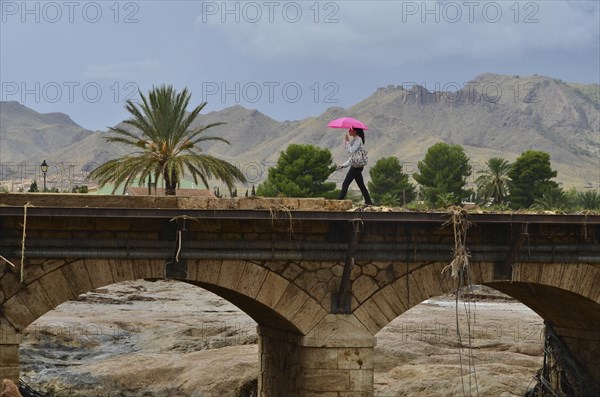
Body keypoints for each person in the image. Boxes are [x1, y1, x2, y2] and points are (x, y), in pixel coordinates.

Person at [337, 127, 373, 205]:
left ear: (355, 131)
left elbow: (351, 150)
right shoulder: (354, 140)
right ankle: (369, 202)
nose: (349, 131)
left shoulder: (358, 140)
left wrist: (347, 142)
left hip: (356, 167)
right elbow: (352, 157)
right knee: (361, 185)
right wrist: (343, 165)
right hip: (356, 166)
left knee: (345, 183)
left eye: (350, 130)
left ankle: (338, 201)